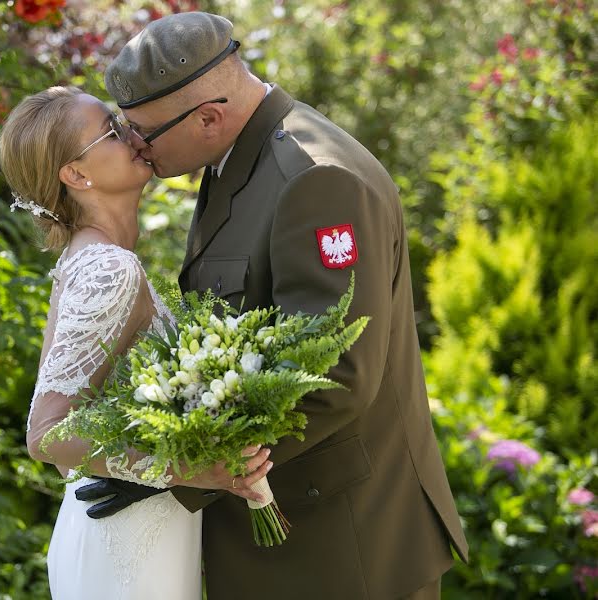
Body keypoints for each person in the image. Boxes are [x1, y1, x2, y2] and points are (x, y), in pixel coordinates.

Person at [80, 11, 470, 599]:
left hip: (344, 548)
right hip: (297, 538)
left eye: (143, 132)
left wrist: (181, 470)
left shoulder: (314, 180)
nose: (133, 146)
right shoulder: (242, 157)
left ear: (208, 117)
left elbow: (335, 373)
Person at [0, 86, 272, 600]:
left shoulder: (92, 259)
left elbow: (70, 445)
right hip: (125, 547)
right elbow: (47, 436)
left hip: (134, 527)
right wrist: (191, 469)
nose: (134, 134)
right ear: (76, 176)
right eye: (111, 130)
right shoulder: (107, 269)